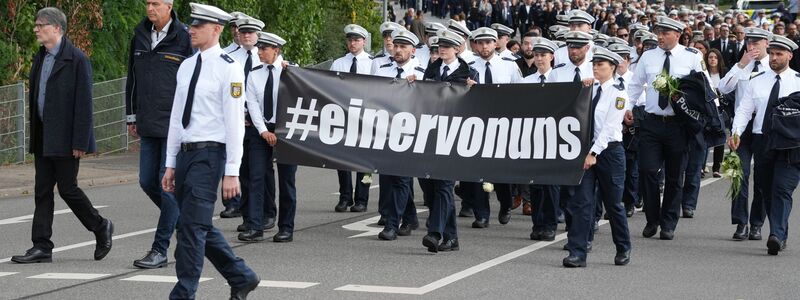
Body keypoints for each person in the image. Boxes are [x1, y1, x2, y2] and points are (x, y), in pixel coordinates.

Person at [160, 3, 259, 299]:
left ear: (215, 30)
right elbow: (177, 117)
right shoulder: (187, 65)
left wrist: (232, 171)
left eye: (198, 26)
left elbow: (234, 123)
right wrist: (170, 162)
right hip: (186, 154)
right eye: (192, 25)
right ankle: (241, 276)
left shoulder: (230, 68)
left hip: (210, 154)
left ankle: (183, 294)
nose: (191, 29)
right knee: (195, 222)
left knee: (189, 229)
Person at [12, 6, 114, 264]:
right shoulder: (41, 56)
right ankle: (42, 246)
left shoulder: (76, 59)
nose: (36, 28)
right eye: (35, 24)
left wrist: (80, 141)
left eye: (41, 24)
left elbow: (84, 104)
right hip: (44, 135)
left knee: (68, 189)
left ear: (57, 28)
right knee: (42, 190)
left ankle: (100, 226)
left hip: (67, 138)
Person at [125, 0, 192, 269]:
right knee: (146, 181)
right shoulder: (140, 35)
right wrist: (131, 116)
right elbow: (132, 78)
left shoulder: (184, 37)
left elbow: (193, 84)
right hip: (148, 122)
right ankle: (188, 223)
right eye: (147, 3)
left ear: (169, 6)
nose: (150, 8)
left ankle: (160, 249)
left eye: (155, 3)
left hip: (174, 126)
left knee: (168, 189)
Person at [628, 16, 704, 241]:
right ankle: (652, 218)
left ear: (677, 35)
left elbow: (702, 89)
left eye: (665, 33)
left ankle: (669, 222)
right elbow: (635, 84)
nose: (659, 37)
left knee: (674, 176)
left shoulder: (692, 57)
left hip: (678, 126)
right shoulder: (648, 56)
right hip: (652, 122)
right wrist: (628, 107)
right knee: (648, 171)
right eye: (658, 32)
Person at [729, 35, 800, 255]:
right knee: (766, 189)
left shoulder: (798, 81)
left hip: (791, 145)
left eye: (780, 54)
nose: (775, 58)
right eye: (773, 53)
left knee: (782, 189)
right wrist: (737, 131)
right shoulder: (757, 80)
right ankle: (781, 232)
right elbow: (744, 109)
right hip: (763, 142)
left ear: (790, 55)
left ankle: (776, 235)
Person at [563, 46, 631, 268]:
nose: (596, 68)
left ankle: (623, 247)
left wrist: (593, 153)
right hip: (588, 151)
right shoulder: (590, 89)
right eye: (594, 65)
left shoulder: (618, 93)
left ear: (612, 67)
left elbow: (610, 127)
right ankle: (577, 253)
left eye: (600, 65)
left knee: (613, 204)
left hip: (609, 152)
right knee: (582, 203)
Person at [462, 27, 522, 228]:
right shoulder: (469, 66)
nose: (484, 46)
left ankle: (505, 204)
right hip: (477, 123)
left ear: (496, 44)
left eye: (488, 42)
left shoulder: (509, 66)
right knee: (479, 171)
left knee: (500, 171)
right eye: (480, 43)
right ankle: (482, 214)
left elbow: (521, 93)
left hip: (502, 124)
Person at [242, 31, 299, 243]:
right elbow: (252, 104)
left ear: (276, 50)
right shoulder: (255, 72)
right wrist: (263, 130)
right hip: (261, 129)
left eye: (264, 49)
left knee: (286, 180)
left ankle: (286, 227)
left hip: (286, 129)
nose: (259, 52)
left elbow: (298, 100)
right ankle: (255, 225)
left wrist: (279, 131)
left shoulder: (291, 71)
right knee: (256, 176)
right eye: (259, 48)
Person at [718, 27, 772, 241]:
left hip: (764, 127)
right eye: (749, 43)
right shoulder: (742, 65)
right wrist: (741, 64)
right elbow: (724, 88)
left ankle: (757, 224)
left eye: (757, 43)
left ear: (766, 43)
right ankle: (741, 222)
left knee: (762, 178)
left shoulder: (772, 65)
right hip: (742, 126)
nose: (752, 47)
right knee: (739, 176)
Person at [373, 28, 426, 240]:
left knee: (402, 179)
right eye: (396, 46)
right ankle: (411, 217)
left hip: (409, 132)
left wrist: (418, 87)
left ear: (413, 51)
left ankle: (392, 225)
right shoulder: (382, 70)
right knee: (389, 178)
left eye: (403, 47)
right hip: (386, 130)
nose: (398, 50)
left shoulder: (421, 73)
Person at [220, 15, 265, 220]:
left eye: (248, 31)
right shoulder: (227, 56)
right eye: (238, 29)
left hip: (260, 121)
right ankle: (233, 202)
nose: (241, 33)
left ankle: (259, 210)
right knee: (234, 160)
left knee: (257, 171)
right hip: (234, 117)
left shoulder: (264, 55)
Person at [329, 24, 374, 213]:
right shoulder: (339, 63)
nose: (353, 43)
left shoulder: (373, 63)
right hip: (343, 116)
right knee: (342, 159)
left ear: (364, 41)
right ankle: (345, 196)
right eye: (350, 40)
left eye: (356, 40)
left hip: (365, 117)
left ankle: (362, 198)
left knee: (364, 162)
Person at [519, 37, 560, 241]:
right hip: (533, 138)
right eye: (536, 55)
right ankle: (537, 223)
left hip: (553, 138)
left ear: (552, 56)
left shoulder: (560, 80)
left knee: (550, 184)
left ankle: (550, 224)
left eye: (543, 55)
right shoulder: (526, 82)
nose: (539, 59)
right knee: (534, 184)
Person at [608, 42, 638, 218]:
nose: (619, 63)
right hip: (611, 130)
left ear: (628, 60)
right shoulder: (608, 80)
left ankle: (629, 202)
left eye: (621, 59)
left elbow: (641, 104)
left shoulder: (635, 79)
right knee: (612, 172)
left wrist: (629, 122)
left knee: (631, 170)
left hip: (630, 132)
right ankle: (613, 202)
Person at [706, 49, 728, 178]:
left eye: (715, 57)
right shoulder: (704, 73)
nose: (712, 59)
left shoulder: (724, 72)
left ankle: (716, 168)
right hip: (707, 109)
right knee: (706, 137)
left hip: (720, 109)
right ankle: (702, 166)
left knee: (720, 138)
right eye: (710, 57)